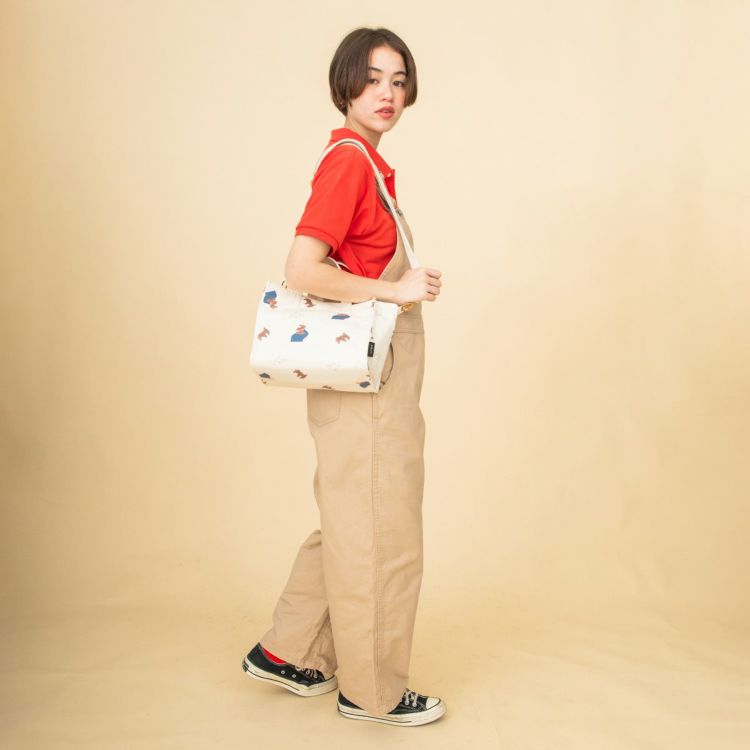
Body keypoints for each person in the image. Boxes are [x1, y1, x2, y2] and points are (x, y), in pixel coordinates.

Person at [242, 27, 445, 727]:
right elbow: (302, 268)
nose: (387, 93)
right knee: (381, 535)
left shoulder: (366, 165)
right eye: (373, 78)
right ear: (346, 85)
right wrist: (396, 290)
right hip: (369, 392)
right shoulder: (350, 164)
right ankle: (373, 691)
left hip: (363, 386)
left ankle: (288, 650)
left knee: (353, 520)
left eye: (399, 80)